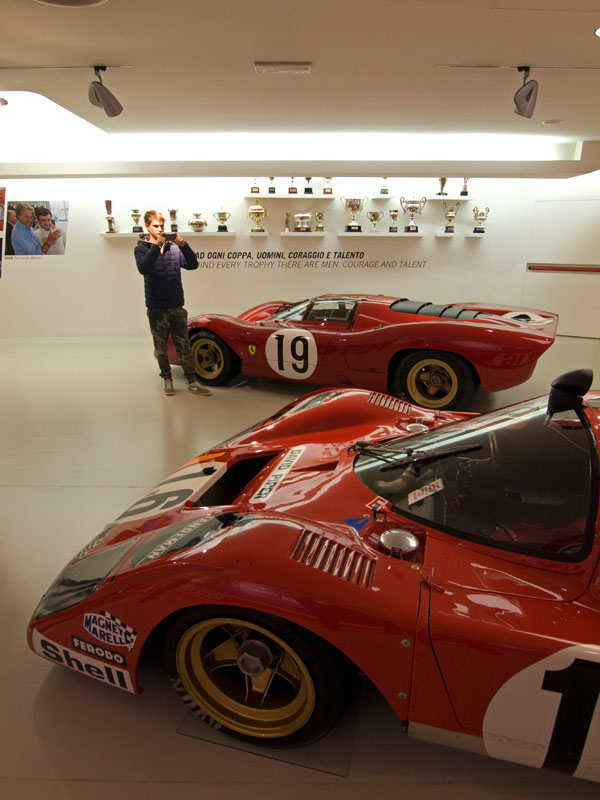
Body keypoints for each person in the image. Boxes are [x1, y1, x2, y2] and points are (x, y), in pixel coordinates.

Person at [134, 210, 210, 397]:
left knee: (184, 345)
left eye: (162, 226)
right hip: (156, 307)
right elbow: (144, 269)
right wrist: (155, 247)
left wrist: (184, 246)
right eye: (155, 226)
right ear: (147, 227)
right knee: (161, 348)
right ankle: (167, 380)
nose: (160, 229)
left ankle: (192, 382)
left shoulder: (174, 248)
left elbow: (192, 265)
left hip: (176, 305)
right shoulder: (141, 249)